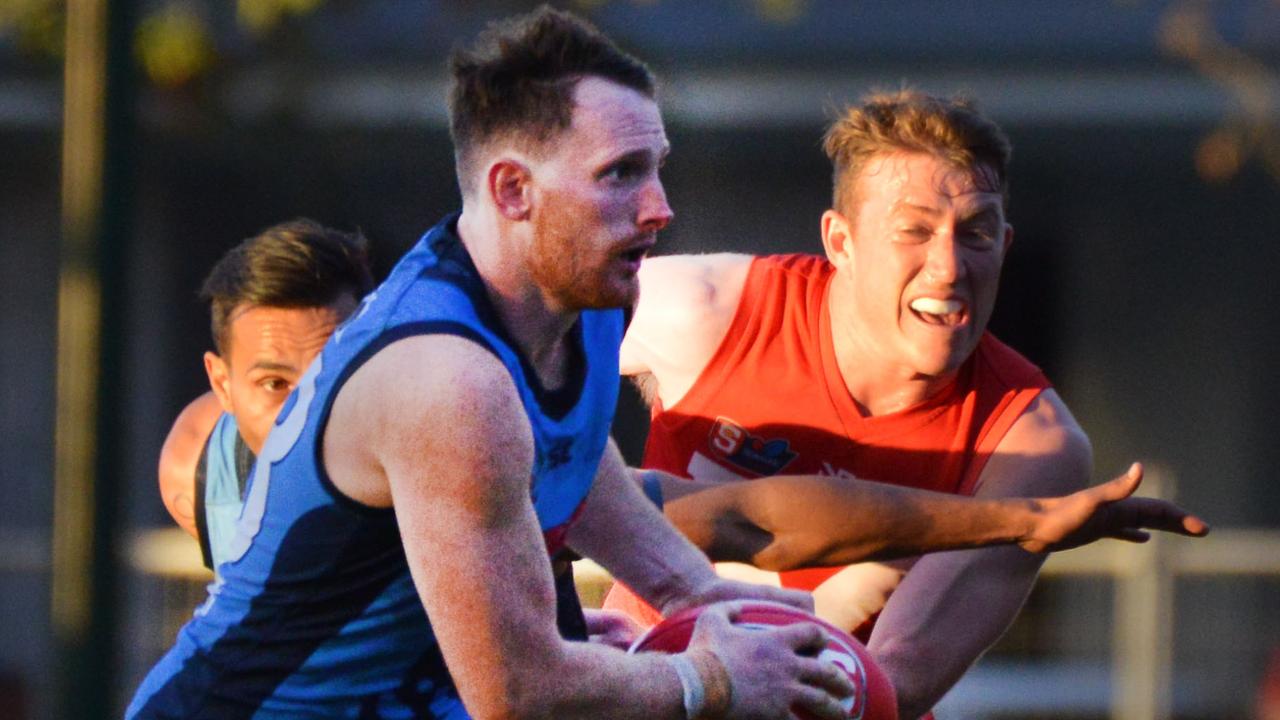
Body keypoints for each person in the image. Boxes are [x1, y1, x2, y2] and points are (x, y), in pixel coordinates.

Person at [128, 8, 859, 718]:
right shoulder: (451, 384)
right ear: (513, 190)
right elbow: (520, 694)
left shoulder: (587, 297)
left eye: (657, 168)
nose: (658, 207)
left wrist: (691, 591)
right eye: (620, 173)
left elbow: (572, 448)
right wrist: (711, 679)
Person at [603, 89, 1188, 719]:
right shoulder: (703, 309)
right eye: (914, 230)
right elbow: (503, 357)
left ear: (1005, 245)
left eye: (976, 233)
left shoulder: (1027, 443)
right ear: (841, 240)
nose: (947, 267)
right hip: (638, 689)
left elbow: (898, 680)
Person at [157, 218, 374, 573]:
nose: (307, 412)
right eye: (275, 384)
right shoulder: (196, 471)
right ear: (223, 387)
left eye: (333, 375)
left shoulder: (457, 450)